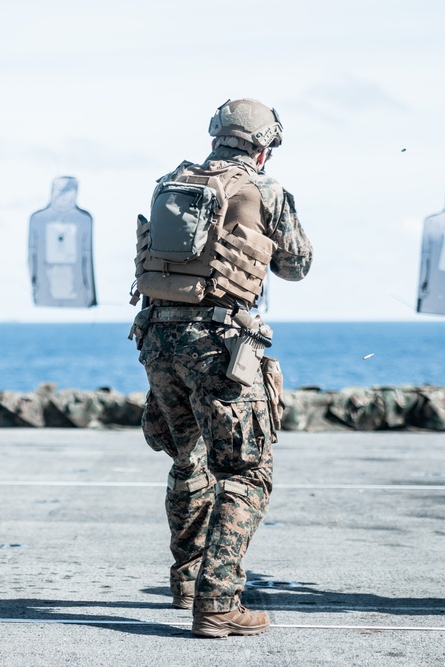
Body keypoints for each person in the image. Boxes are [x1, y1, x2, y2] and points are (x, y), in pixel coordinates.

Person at [130, 98, 312, 638]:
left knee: (188, 457)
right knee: (247, 472)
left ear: (215, 137)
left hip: (157, 336)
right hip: (218, 344)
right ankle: (218, 602)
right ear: (264, 145)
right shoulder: (267, 189)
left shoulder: (170, 181)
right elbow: (297, 265)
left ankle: (186, 580)